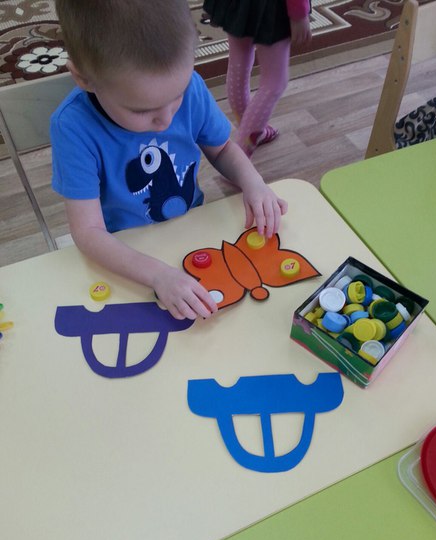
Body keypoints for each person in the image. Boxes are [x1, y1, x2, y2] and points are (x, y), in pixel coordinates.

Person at [51, 0, 288, 321]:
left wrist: (254, 183)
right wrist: (158, 275)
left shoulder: (192, 88)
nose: (165, 120)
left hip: (191, 230)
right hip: (126, 257)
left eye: (177, 96)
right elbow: (88, 232)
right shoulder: (72, 127)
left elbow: (222, 150)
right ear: (84, 79)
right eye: (141, 110)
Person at [203, 0, 312, 156]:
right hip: (272, 8)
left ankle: (251, 129)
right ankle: (240, 155)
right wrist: (299, 14)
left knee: (239, 63)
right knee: (274, 83)